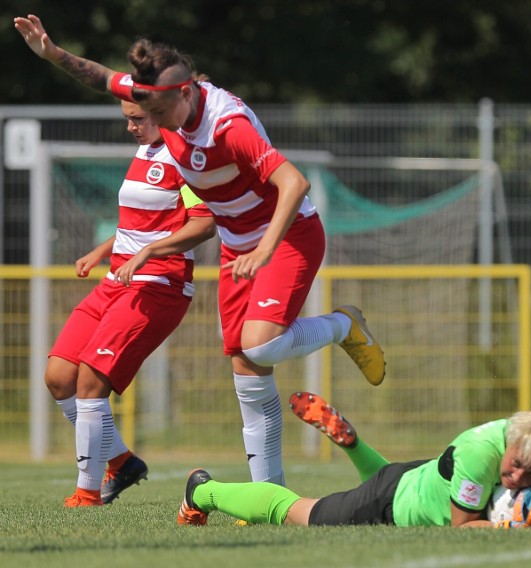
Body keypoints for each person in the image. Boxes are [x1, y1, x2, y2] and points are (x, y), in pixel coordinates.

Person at [15, 15, 386, 487]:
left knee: (262, 344)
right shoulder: (159, 95)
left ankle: (343, 324)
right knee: (246, 369)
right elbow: (98, 75)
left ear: (186, 95)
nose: (156, 124)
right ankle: (268, 496)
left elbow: (295, 182)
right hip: (237, 245)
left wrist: (265, 249)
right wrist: (52, 53)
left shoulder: (227, 127)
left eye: (162, 114)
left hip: (287, 234)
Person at [46, 99, 216, 506]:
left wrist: (149, 254)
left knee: (90, 381)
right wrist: (102, 250)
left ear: (162, 113)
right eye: (127, 119)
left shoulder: (185, 158)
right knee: (58, 376)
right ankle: (122, 461)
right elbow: (136, 224)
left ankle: (86, 495)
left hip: (159, 286)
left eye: (137, 119)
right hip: (117, 278)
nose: (130, 127)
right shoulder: (144, 150)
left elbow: (205, 224)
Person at [176, 392, 531, 528]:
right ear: (510, 442)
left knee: (390, 479)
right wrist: (509, 528)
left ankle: (355, 447)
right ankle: (202, 491)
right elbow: (463, 526)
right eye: (515, 464)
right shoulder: (481, 453)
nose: (517, 476)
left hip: (412, 477)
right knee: (296, 511)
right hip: (388, 505)